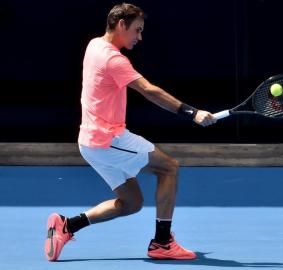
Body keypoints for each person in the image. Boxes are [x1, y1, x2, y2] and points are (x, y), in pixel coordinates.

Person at [44, 3, 216, 261]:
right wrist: (192, 112)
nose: (140, 37)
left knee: (132, 203)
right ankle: (162, 243)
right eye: (137, 29)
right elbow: (149, 90)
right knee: (168, 167)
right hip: (108, 140)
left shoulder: (94, 45)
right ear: (121, 24)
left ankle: (67, 225)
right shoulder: (114, 59)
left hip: (88, 143)